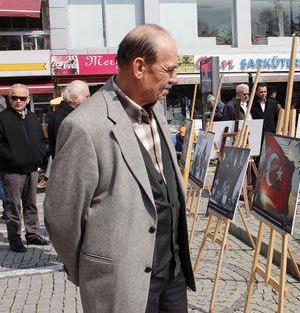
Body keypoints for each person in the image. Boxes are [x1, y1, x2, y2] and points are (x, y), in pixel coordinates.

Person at [44, 25, 195, 312]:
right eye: (169, 69)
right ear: (139, 67)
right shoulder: (84, 126)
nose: (175, 78)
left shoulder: (157, 111)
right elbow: (62, 218)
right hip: (122, 283)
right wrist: (94, 271)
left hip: (172, 275)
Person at [0, 84, 50, 252]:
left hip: (32, 169)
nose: (18, 101)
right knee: (13, 206)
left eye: (22, 98)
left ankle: (33, 234)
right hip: (12, 171)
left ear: (28, 99)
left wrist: (41, 156)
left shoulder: (34, 118)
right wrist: (12, 158)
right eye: (14, 98)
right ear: (9, 99)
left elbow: (42, 141)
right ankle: (15, 238)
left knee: (31, 204)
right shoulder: (3, 118)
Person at [48, 80, 90, 157]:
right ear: (74, 98)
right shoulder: (63, 117)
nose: (89, 100)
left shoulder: (68, 113)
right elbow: (65, 149)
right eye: (86, 97)